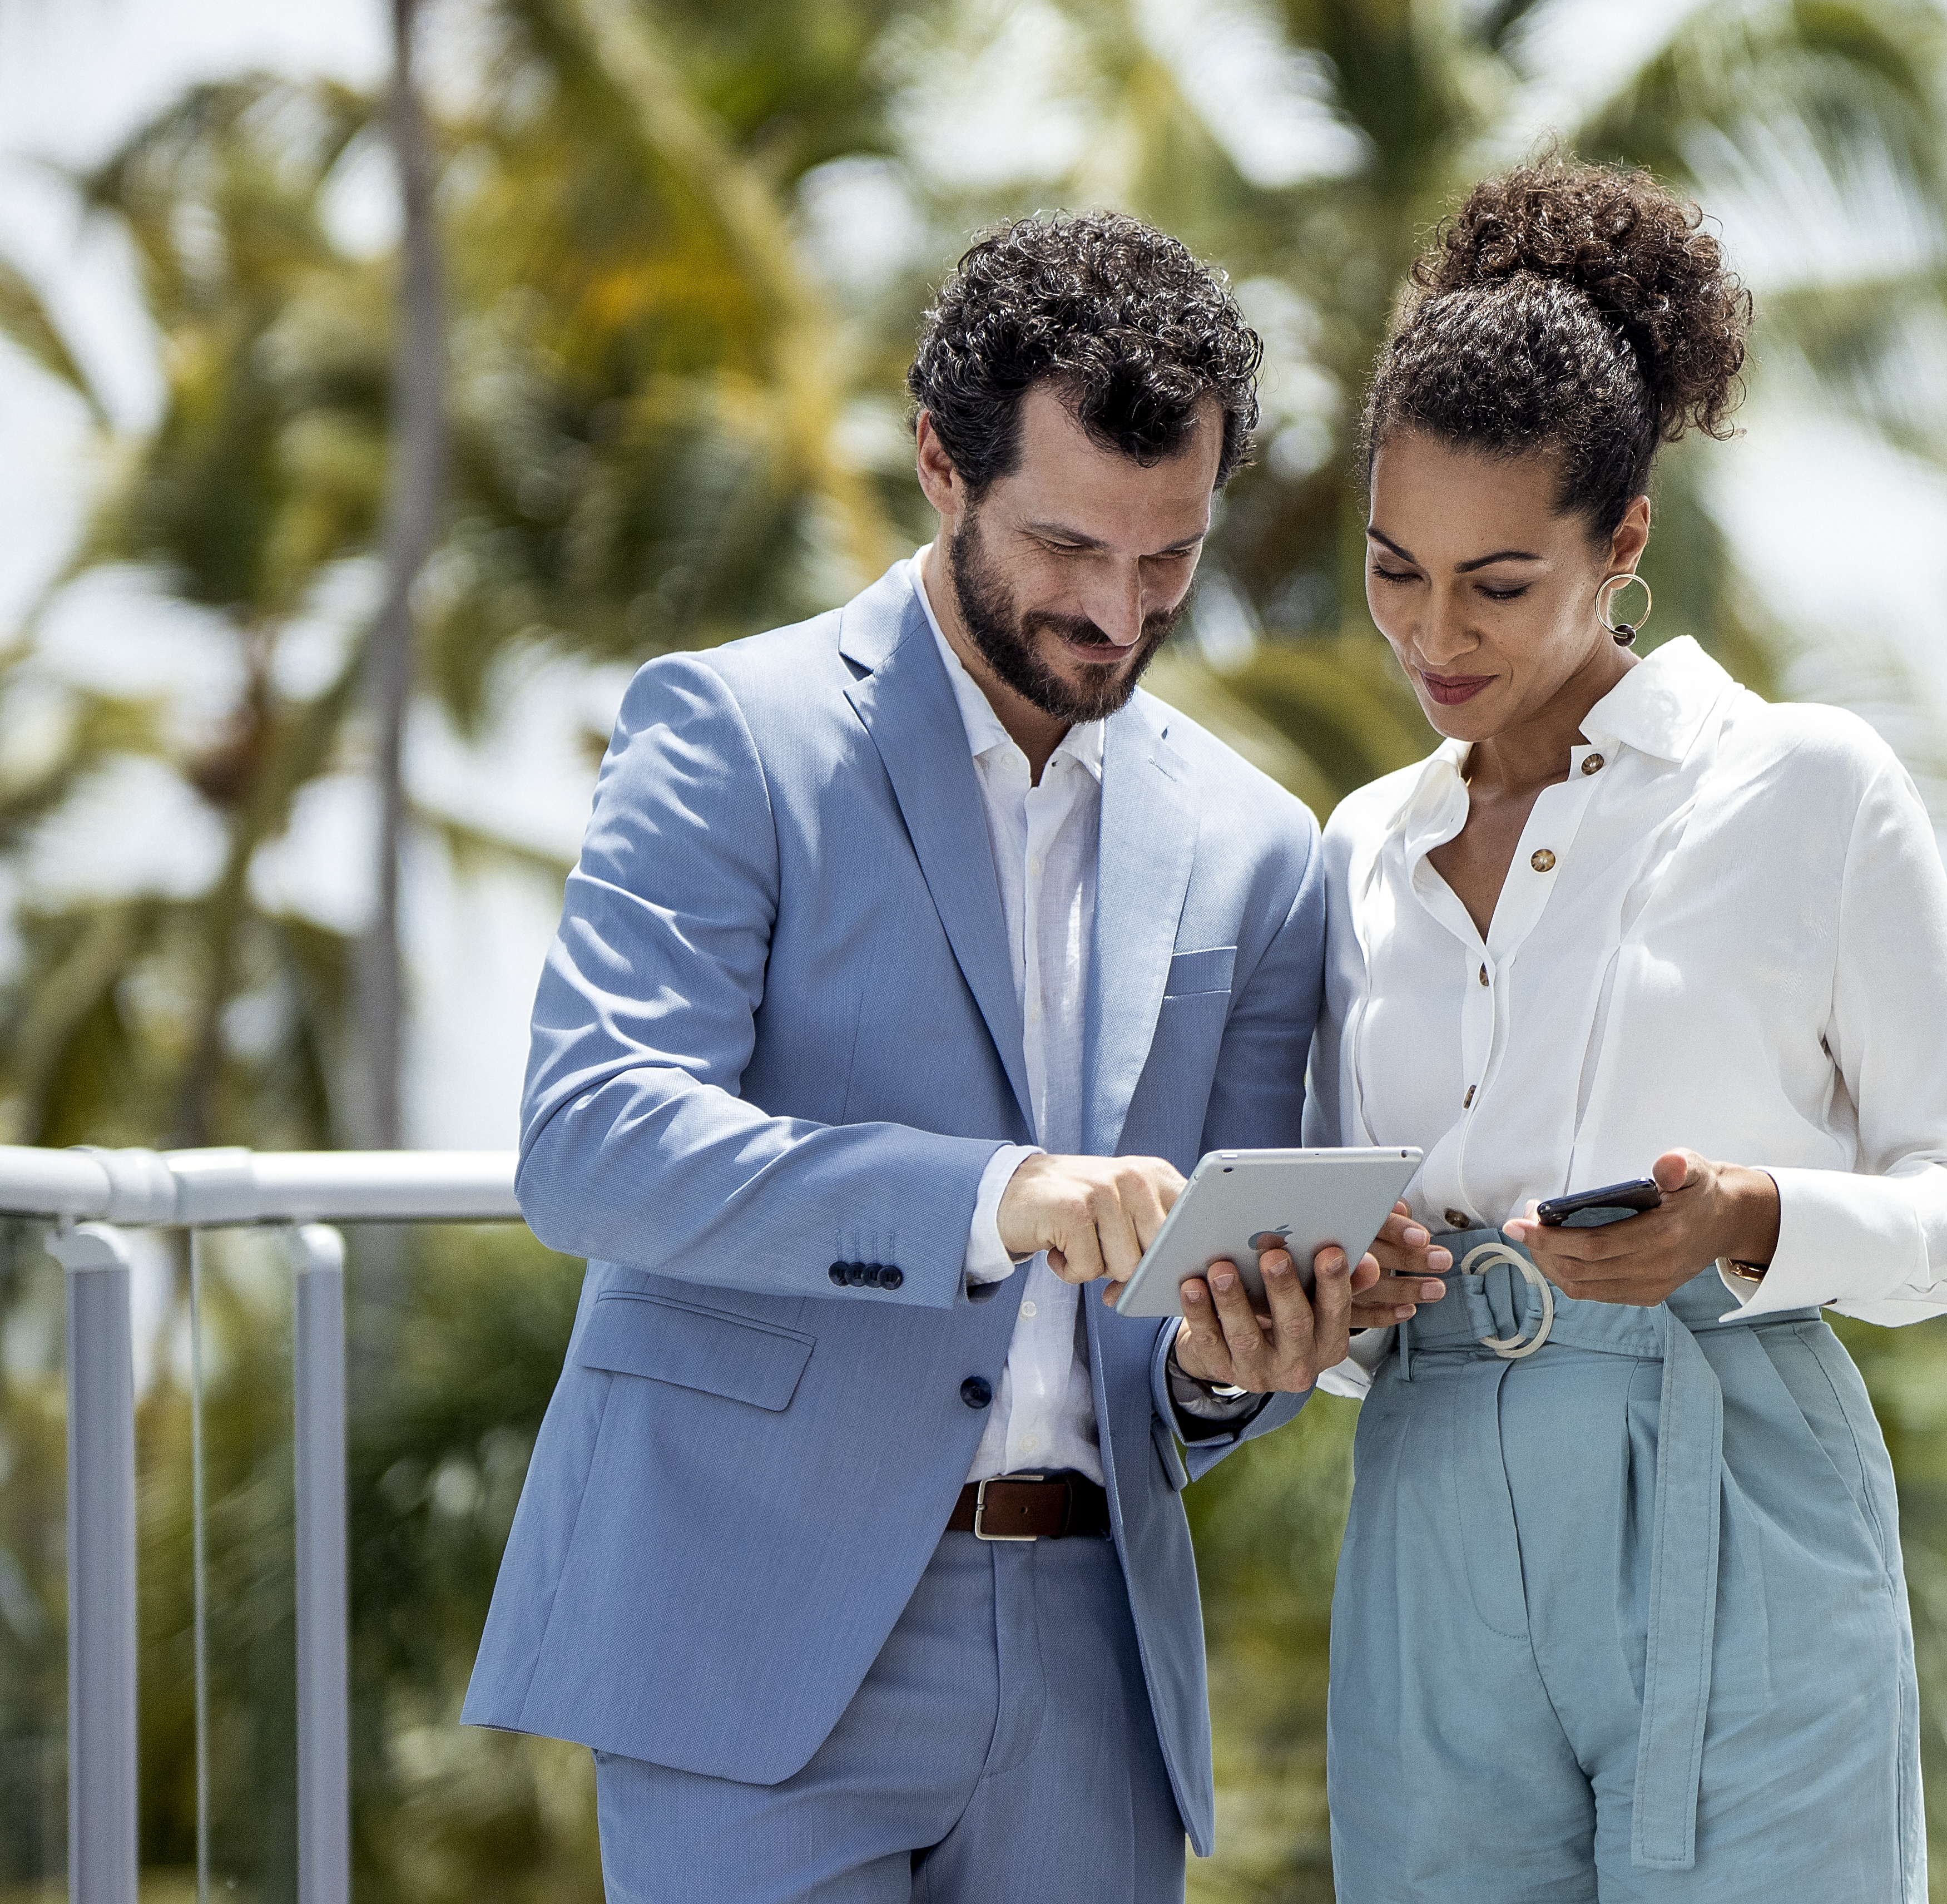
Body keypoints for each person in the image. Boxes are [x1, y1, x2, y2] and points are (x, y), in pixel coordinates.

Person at [464, 209, 1450, 1902]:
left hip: (1089, 1663)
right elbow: (592, 1138)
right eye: (1067, 546)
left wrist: (1238, 1359)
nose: (1117, 611)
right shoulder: (730, 735)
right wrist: (997, 1198)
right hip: (748, 1634)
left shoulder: (1258, 847)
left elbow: (1177, 1354)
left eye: (1167, 558)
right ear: (939, 462)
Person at [1307, 157, 1947, 1902]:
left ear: (1623, 541)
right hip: (1429, 1515)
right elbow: (1340, 1282)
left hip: (1736, 1483)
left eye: (1497, 584)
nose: (1432, 634)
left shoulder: (1808, 786)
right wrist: (1335, 1305)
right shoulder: (1363, 848)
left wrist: (1757, 1221)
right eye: (1395, 570)